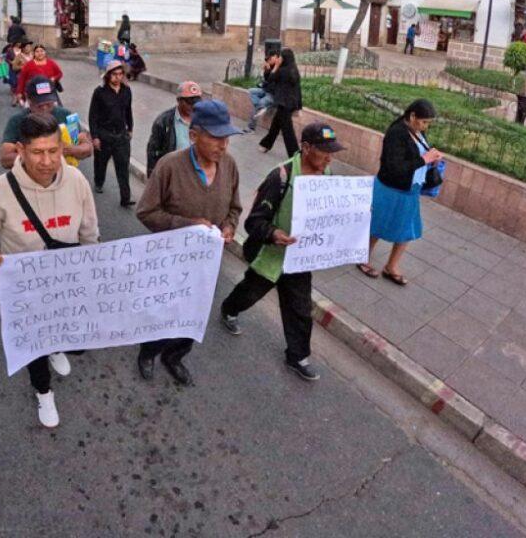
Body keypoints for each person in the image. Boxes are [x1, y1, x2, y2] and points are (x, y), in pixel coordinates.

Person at [0, 112, 100, 428]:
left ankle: (57, 349)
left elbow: (90, 231)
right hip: (26, 291)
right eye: (37, 152)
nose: (47, 161)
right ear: (20, 151)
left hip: (67, 285)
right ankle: (43, 391)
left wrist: (94, 270)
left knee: (70, 338)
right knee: (34, 347)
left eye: (54, 151)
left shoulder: (77, 181)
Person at [220, 122, 346, 382]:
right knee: (250, 293)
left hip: (299, 260)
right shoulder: (280, 176)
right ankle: (229, 310)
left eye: (332, 152)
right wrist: (274, 233)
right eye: (324, 151)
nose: (329, 157)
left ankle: (297, 356)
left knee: (300, 309)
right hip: (272, 257)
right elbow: (253, 221)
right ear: (306, 147)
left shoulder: (328, 175)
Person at [136, 99, 243, 385]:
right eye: (216, 137)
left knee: (193, 313)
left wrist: (230, 227)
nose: (223, 145)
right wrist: (187, 226)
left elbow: (235, 207)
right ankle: (148, 352)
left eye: (227, 138)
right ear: (194, 136)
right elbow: (145, 211)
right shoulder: (169, 165)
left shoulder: (229, 165)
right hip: (169, 261)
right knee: (162, 312)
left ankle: (176, 356)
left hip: (206, 265)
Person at [358, 99, 444, 285]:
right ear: (412, 116)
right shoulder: (396, 133)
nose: (426, 127)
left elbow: (420, 156)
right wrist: (424, 159)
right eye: (424, 122)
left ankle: (392, 266)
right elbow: (394, 166)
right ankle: (362, 257)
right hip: (391, 188)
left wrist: (432, 160)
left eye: (428, 123)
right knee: (379, 225)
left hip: (410, 189)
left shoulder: (417, 132)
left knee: (407, 229)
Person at [0, 76, 92, 169]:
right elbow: (5, 160)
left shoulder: (67, 116)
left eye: (48, 103)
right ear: (28, 97)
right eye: (39, 104)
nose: (44, 108)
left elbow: (86, 149)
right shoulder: (17, 121)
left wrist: (70, 150)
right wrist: (35, 155)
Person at [88, 59, 134, 206]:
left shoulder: (126, 91)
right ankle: (99, 182)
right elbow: (92, 116)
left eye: (120, 74)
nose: (117, 77)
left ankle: (125, 198)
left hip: (121, 135)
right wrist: (95, 137)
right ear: (108, 75)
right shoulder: (99, 92)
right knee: (100, 163)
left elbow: (128, 111)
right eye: (114, 74)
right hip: (104, 135)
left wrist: (130, 128)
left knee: (123, 168)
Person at [145, 80, 203, 176]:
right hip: (174, 175)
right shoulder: (163, 121)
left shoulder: (204, 120)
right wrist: (153, 177)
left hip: (197, 174)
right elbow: (153, 151)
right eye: (188, 102)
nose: (192, 106)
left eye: (195, 103)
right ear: (179, 100)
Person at [258, 48, 302, 156]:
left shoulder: (283, 71)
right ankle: (266, 144)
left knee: (288, 131)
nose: (279, 58)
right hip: (289, 103)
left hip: (284, 104)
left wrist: (275, 67)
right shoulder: (293, 69)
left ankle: (295, 154)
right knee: (276, 125)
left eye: (281, 56)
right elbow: (298, 89)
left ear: (285, 58)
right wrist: (299, 106)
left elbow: (271, 79)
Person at [244, 54, 279, 133]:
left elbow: (276, 83)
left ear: (276, 57)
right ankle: (263, 107)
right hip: (266, 90)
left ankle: (251, 128)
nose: (269, 60)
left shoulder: (282, 69)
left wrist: (272, 70)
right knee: (251, 91)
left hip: (273, 95)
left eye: (270, 58)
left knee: (260, 103)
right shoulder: (272, 67)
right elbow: (268, 80)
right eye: (268, 59)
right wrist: (266, 71)